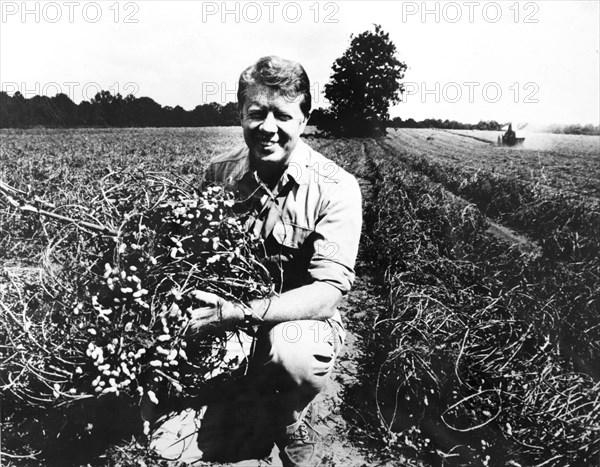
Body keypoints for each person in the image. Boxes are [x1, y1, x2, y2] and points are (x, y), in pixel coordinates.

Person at [150, 56, 362, 467]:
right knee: (162, 440)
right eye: (256, 113)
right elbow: (190, 259)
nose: (268, 127)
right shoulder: (218, 173)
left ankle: (286, 420)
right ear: (240, 115)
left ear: (304, 117)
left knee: (291, 352)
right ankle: (235, 402)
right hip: (225, 319)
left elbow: (326, 293)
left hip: (299, 324)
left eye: (282, 115)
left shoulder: (337, 188)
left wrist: (239, 313)